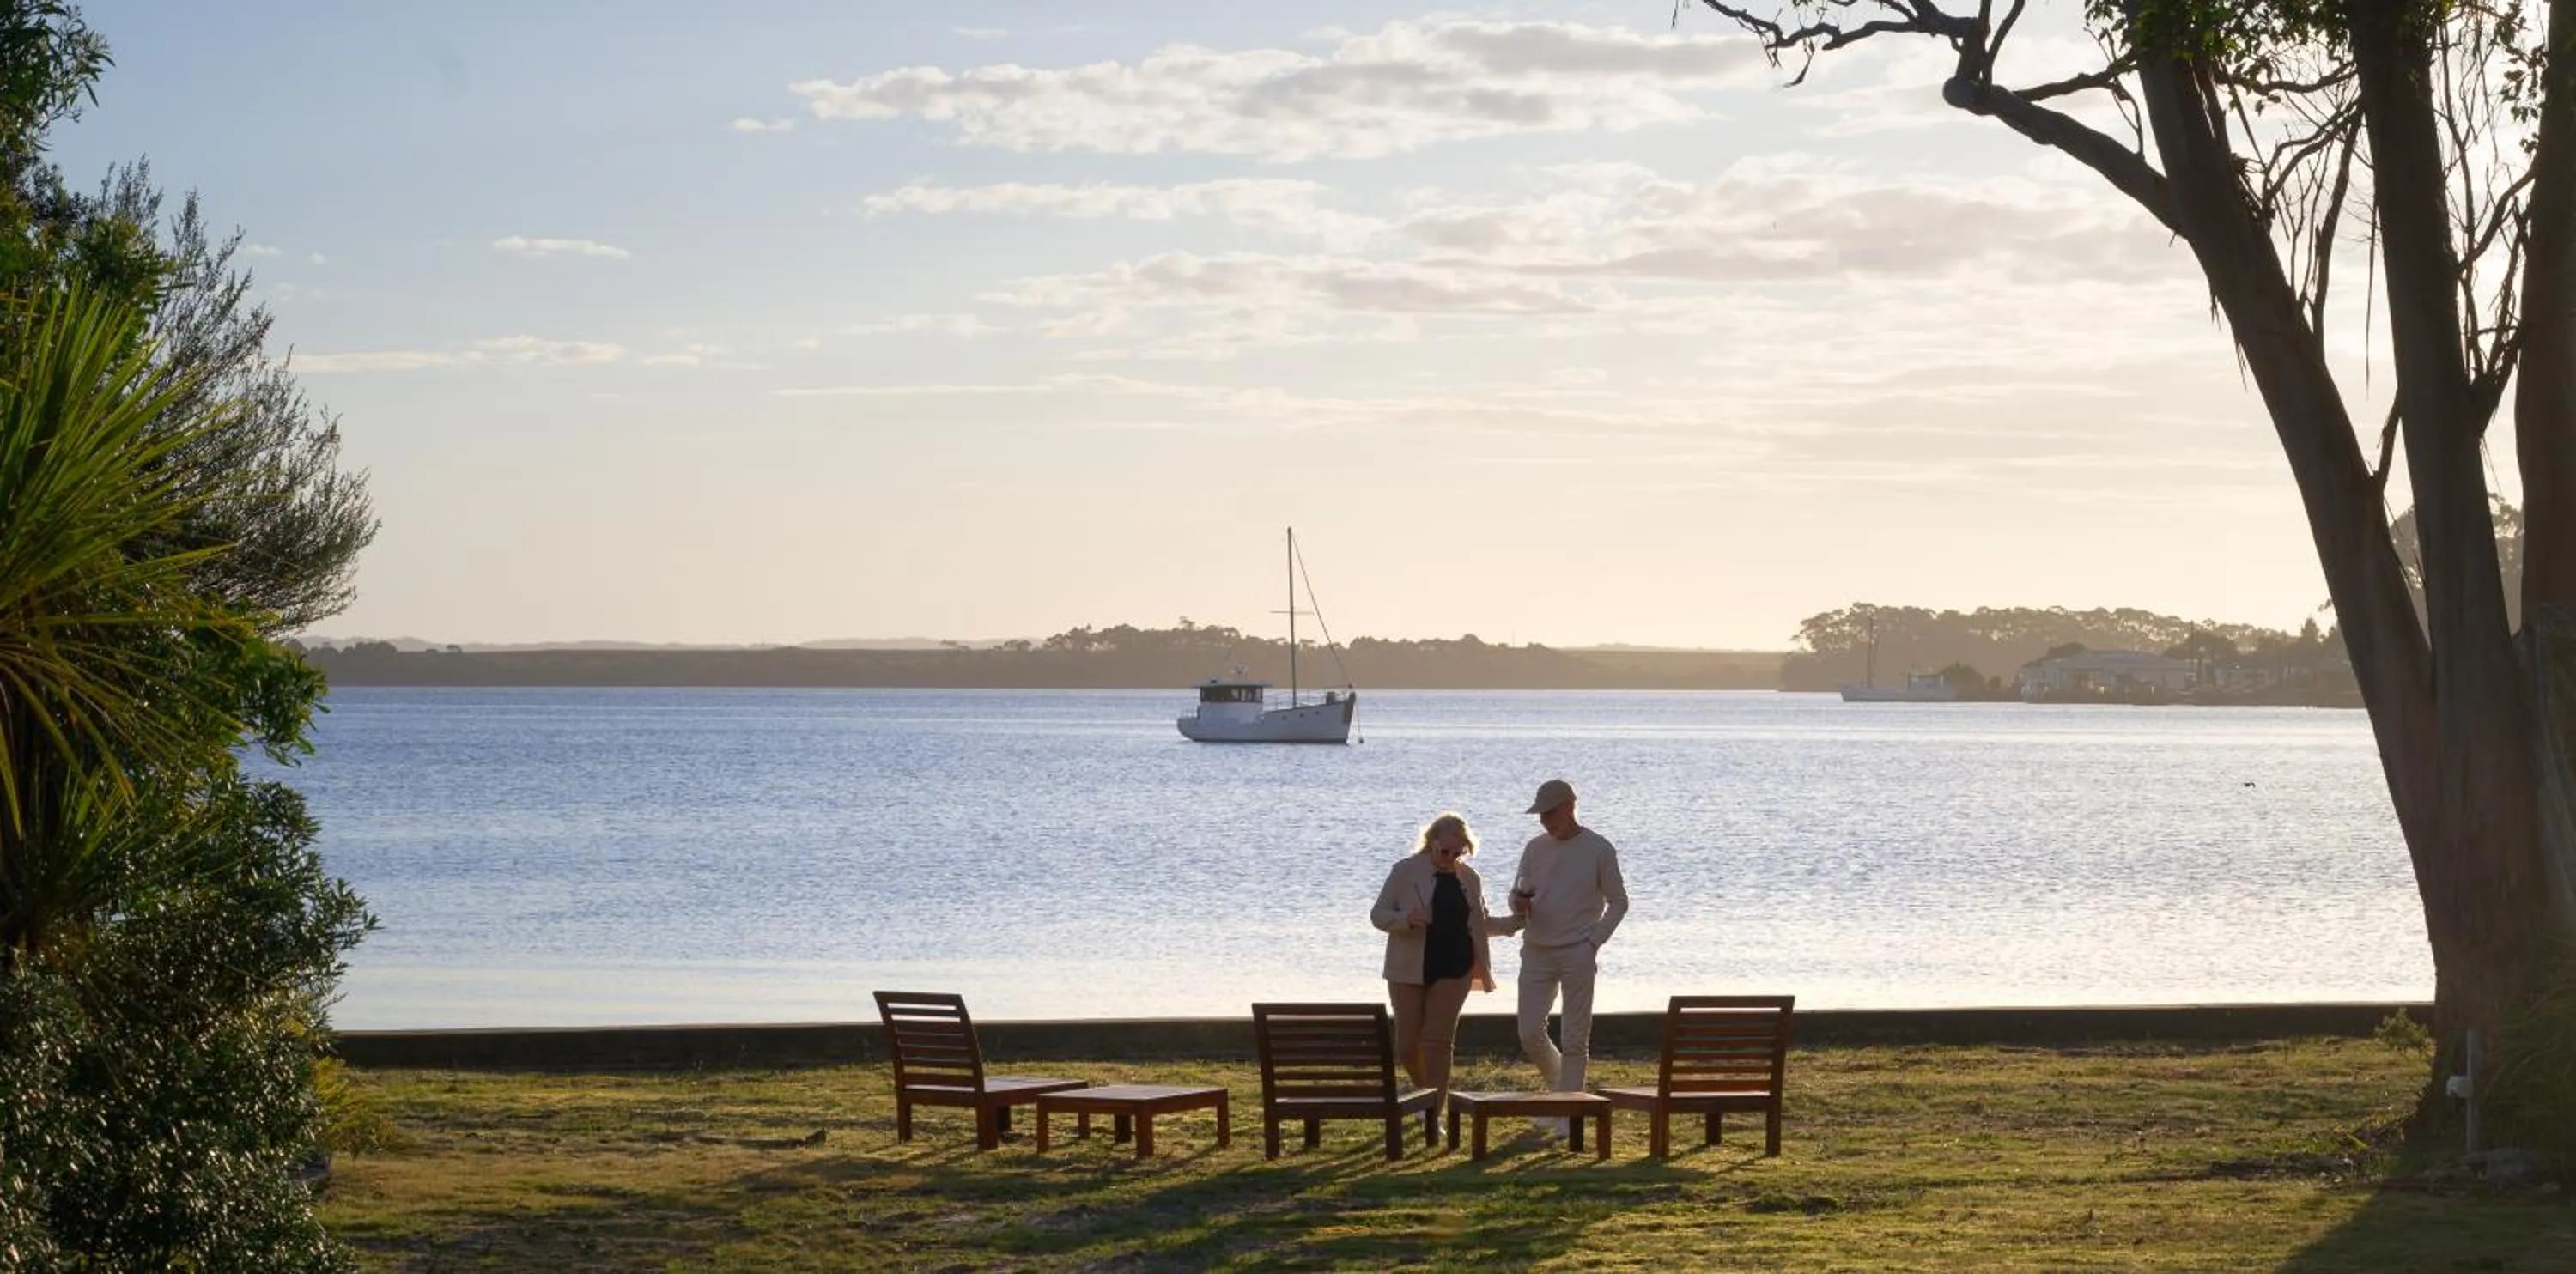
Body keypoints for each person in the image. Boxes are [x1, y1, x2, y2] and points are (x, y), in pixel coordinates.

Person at [1496, 778, 1627, 1106]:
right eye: (1540, 814)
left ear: (1568, 808)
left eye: (1549, 813)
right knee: (1529, 1033)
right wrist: (1518, 904)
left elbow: (1619, 901)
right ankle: (1561, 1091)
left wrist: (1593, 942)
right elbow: (1517, 895)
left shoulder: (1599, 848)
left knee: (1575, 1038)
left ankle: (1568, 1112)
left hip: (1578, 951)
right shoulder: (1534, 848)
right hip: (1537, 949)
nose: (1543, 820)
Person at [1369, 812, 1504, 1100]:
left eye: (1460, 852)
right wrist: (1407, 919)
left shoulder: (1470, 878)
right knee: (1407, 1046)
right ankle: (1424, 1094)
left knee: (1437, 1042)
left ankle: (1434, 1114)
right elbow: (1378, 915)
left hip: (1456, 968)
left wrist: (1518, 922)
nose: (1451, 857)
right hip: (1408, 968)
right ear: (1431, 842)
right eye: (1445, 851)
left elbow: (1481, 923)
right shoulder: (1404, 871)